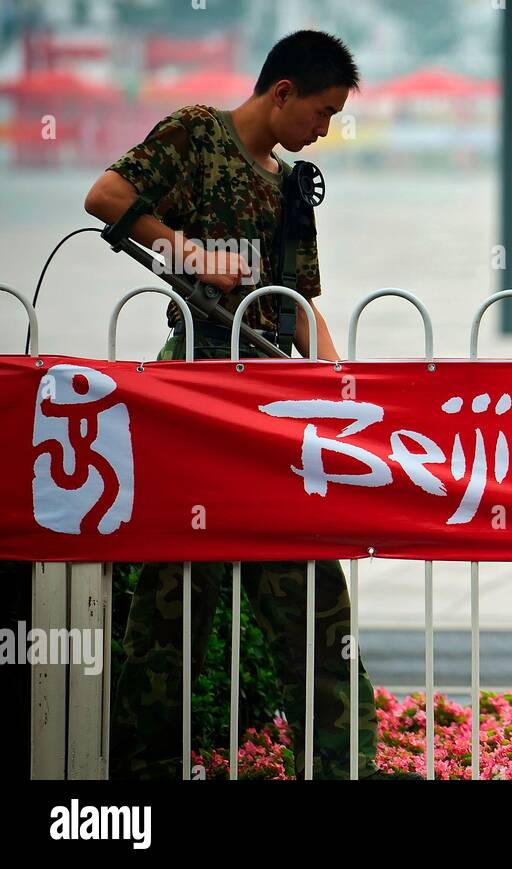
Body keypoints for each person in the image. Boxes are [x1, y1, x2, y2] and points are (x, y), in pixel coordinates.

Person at [83, 30, 390, 778]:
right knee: (175, 598)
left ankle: (340, 764)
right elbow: (106, 197)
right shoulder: (195, 133)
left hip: (275, 406)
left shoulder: (290, 186)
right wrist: (189, 253)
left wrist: (337, 379)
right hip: (193, 396)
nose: (323, 129)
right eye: (320, 112)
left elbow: (299, 301)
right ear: (281, 91)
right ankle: (145, 769)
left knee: (315, 595)